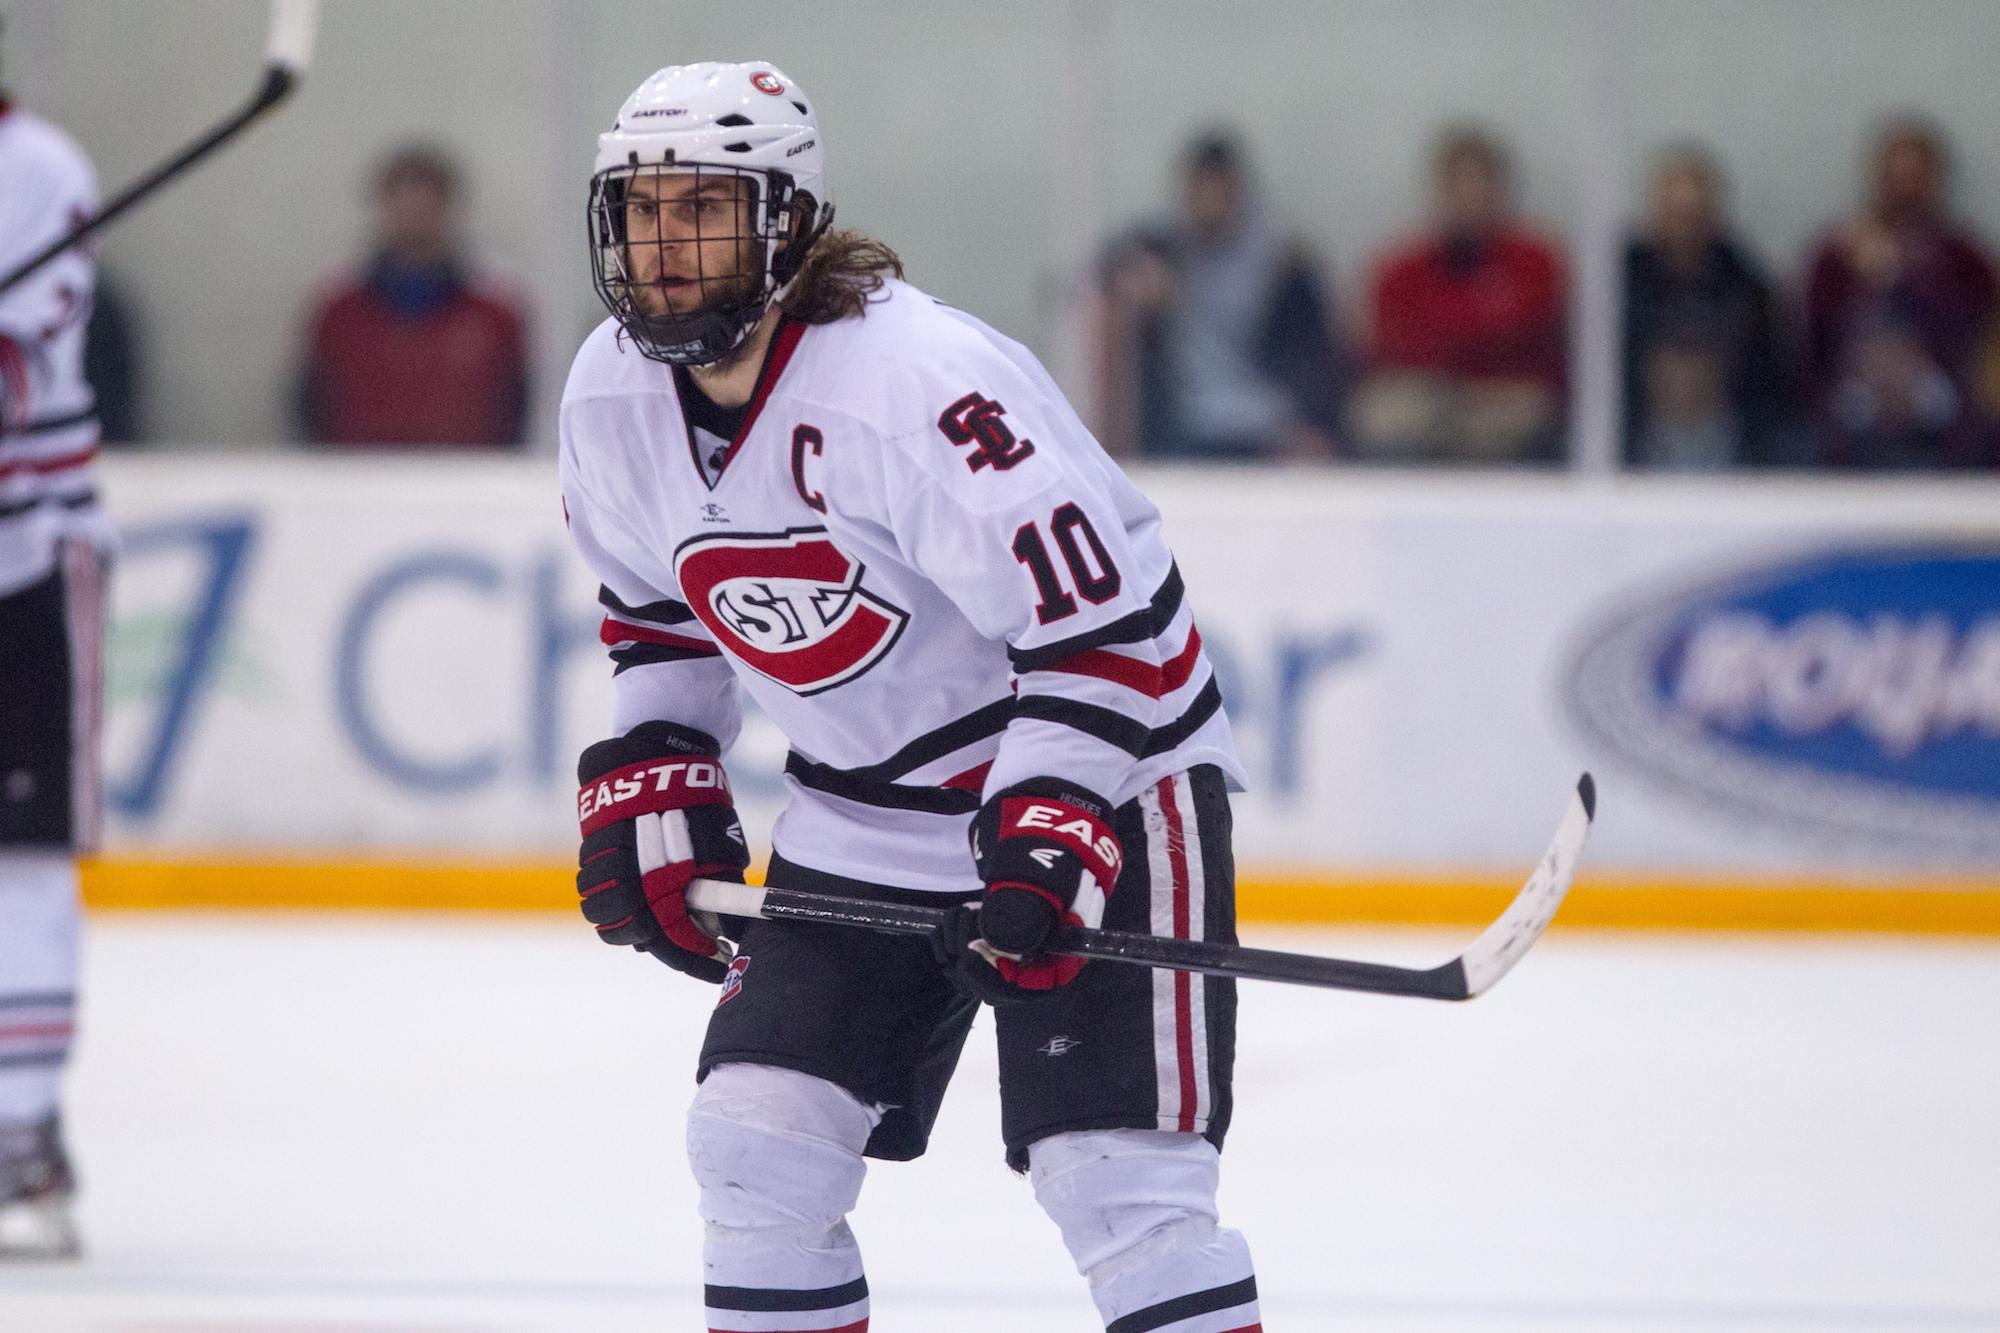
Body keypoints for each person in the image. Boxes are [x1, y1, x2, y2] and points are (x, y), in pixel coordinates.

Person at [560, 63, 1260, 1332]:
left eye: (702, 208)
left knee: (1119, 1184)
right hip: (861, 813)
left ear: (783, 221)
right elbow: (658, 616)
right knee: (755, 1147)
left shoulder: (916, 386)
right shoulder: (606, 401)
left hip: (1111, 775)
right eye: (642, 211)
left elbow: (1109, 632)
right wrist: (660, 768)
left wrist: (1051, 817)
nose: (664, 245)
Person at [0, 81, 107, 1262]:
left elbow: (20, 373)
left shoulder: (34, 167)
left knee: (19, 850)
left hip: (23, 556)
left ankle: (20, 1133)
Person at [1096, 130, 1343, 460]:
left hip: (1266, 425)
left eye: (1216, 189)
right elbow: (1101, 266)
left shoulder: (1284, 264)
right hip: (1182, 426)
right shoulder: (1164, 249)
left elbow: (1314, 355)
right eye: (1198, 190)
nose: (1207, 203)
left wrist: (1313, 424)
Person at [1351, 124, 1568, 463]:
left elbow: (1530, 334)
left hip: (1506, 399)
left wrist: (1454, 340)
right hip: (1427, 399)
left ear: (1500, 190)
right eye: (1457, 184)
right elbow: (1390, 346)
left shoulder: (1536, 260)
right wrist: (1479, 333)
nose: (1469, 196)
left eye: (1479, 183)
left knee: (1513, 422)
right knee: (1383, 416)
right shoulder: (1400, 268)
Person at [295, 144, 530, 448]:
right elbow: (312, 408)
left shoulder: (496, 315)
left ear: (448, 209)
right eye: (404, 204)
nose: (415, 217)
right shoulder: (337, 312)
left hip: (469, 484)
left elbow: (516, 410)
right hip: (354, 484)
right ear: (383, 206)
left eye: (426, 206)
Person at [1804, 116, 1998, 468]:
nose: (1906, 192)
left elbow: (1975, 337)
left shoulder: (1966, 259)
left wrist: (1898, 278)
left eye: (1917, 179)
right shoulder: (1835, 255)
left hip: (1947, 423)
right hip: (1849, 422)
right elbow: (1813, 342)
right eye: (1896, 178)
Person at [1622, 145, 1791, 469]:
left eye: (1694, 212)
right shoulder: (1619, 279)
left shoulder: (1747, 280)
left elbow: (1767, 378)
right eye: (1676, 210)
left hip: (1728, 432)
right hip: (1639, 427)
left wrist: (1710, 382)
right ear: (1656, 208)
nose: (1686, 218)